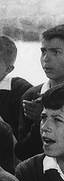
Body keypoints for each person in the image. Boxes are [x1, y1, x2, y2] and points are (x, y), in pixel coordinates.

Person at [17, 25, 64, 160]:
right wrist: (40, 122)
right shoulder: (31, 96)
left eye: (55, 52)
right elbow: (22, 153)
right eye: (43, 51)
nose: (46, 58)